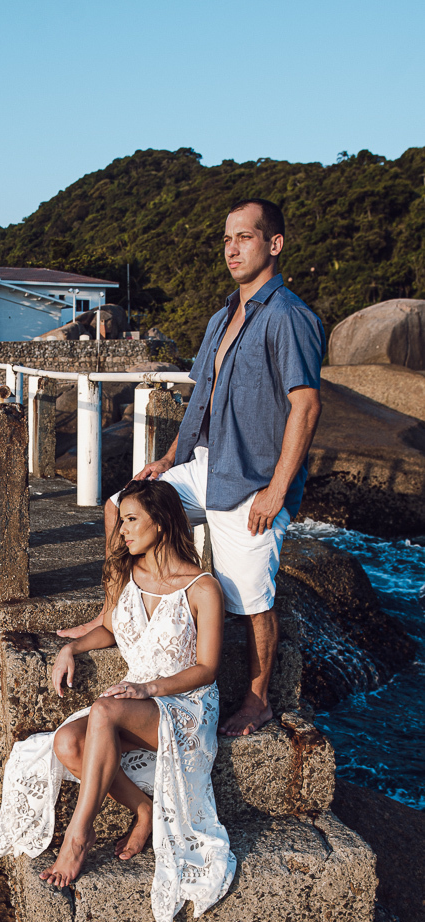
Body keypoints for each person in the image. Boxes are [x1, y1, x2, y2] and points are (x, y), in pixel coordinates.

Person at [59, 198, 325, 737]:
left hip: (253, 483)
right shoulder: (221, 317)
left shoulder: (289, 317)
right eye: (227, 239)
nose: (232, 248)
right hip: (204, 467)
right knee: (120, 507)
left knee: (250, 595)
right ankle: (112, 614)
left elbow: (306, 405)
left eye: (245, 238)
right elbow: (201, 402)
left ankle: (257, 700)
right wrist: (168, 459)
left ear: (273, 244)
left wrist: (276, 491)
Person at [0, 478, 236, 922]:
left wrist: (149, 688)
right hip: (133, 702)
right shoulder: (129, 574)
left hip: (182, 707)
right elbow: (112, 626)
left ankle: (77, 838)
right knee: (67, 743)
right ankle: (143, 810)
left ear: (161, 523)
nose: (122, 530)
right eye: (121, 520)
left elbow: (207, 668)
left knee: (102, 712)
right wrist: (74, 649)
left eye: (131, 520)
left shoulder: (203, 588)